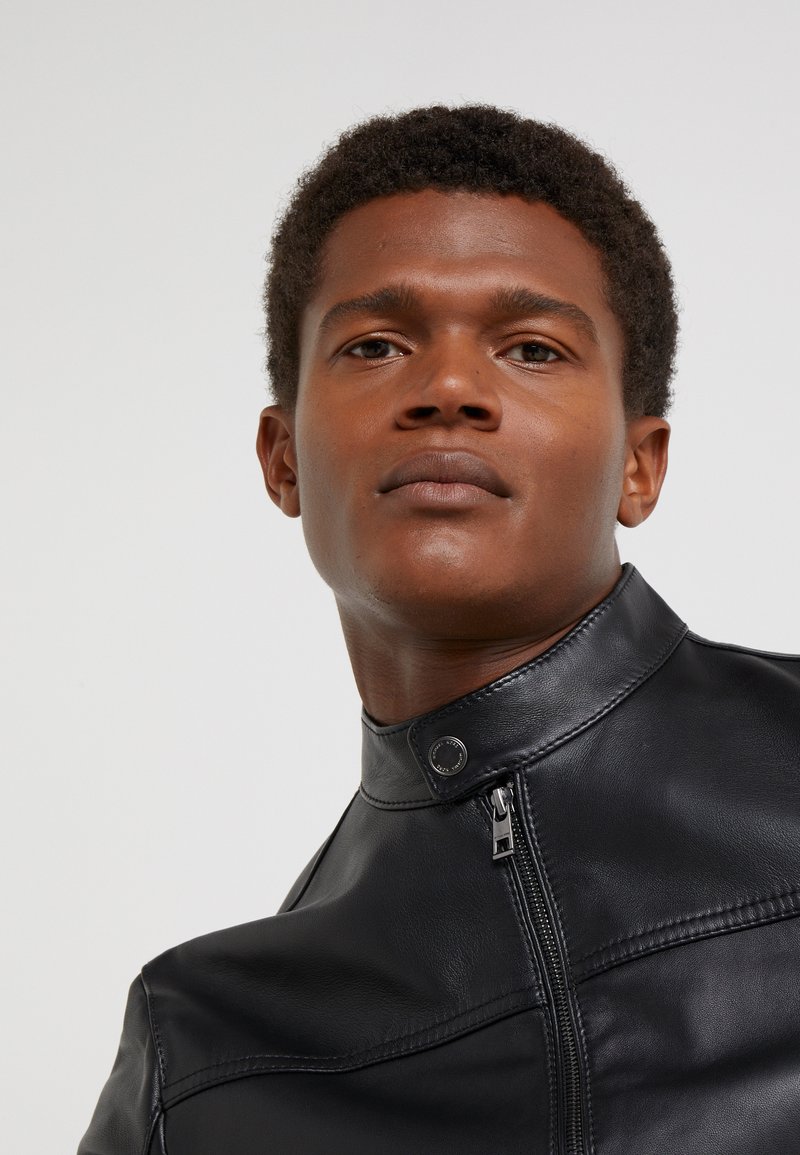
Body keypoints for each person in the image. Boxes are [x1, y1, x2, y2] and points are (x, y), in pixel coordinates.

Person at [78, 105, 800, 1155]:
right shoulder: (205, 1049)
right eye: (375, 345)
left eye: (532, 349)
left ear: (638, 465)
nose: (449, 389)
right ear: (282, 458)